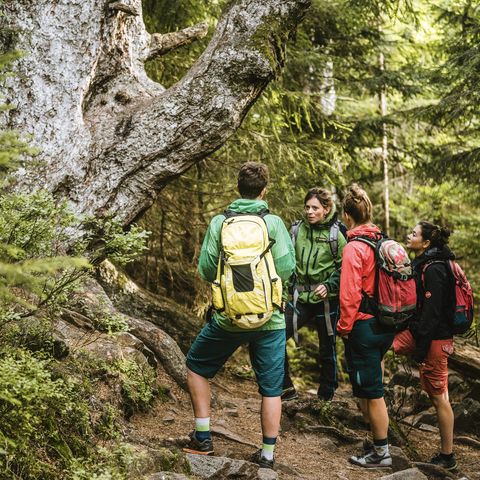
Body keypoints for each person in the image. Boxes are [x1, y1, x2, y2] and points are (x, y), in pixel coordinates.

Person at [183, 162, 295, 469]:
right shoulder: (272, 223)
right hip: (270, 319)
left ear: (237, 188)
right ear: (264, 190)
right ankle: (268, 456)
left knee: (196, 367)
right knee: (272, 389)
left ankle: (203, 437)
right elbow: (285, 269)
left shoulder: (220, 222)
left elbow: (206, 269)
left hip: (227, 318)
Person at [337, 184, 394, 468]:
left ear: (347, 216)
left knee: (372, 392)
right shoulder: (382, 242)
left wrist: (344, 327)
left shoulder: (354, 248)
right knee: (372, 386)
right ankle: (378, 439)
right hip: (385, 325)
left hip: (363, 326)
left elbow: (349, 295)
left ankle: (382, 452)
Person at [393, 221, 457, 471]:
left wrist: (419, 350)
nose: (409, 236)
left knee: (439, 397)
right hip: (429, 336)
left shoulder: (434, 269)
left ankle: (447, 456)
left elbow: (433, 314)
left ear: (426, 243)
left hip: (435, 340)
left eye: (414, 234)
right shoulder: (425, 264)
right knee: (440, 395)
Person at [282, 187, 346, 402]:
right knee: (277, 337)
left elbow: (345, 267)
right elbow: (288, 265)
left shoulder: (336, 234)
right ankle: (285, 388)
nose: (309, 211)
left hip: (326, 301)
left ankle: (325, 398)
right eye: (307, 207)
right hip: (300, 299)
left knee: (327, 349)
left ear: (326, 209)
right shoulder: (296, 231)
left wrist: (329, 285)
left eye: (315, 208)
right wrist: (284, 294)